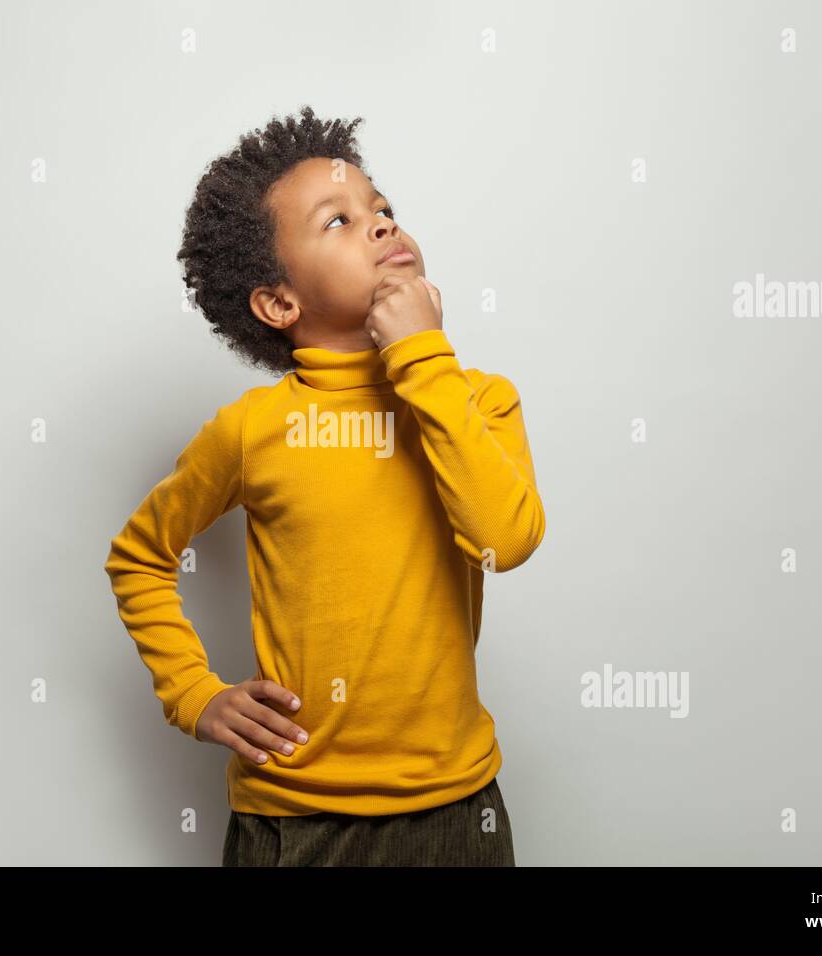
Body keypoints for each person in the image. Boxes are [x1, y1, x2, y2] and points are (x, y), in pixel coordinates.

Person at [103, 105, 545, 866]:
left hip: (456, 812)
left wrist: (424, 362)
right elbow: (139, 557)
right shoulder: (252, 432)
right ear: (280, 302)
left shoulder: (475, 400)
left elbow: (504, 539)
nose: (378, 223)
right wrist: (195, 694)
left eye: (382, 208)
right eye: (337, 221)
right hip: (295, 823)